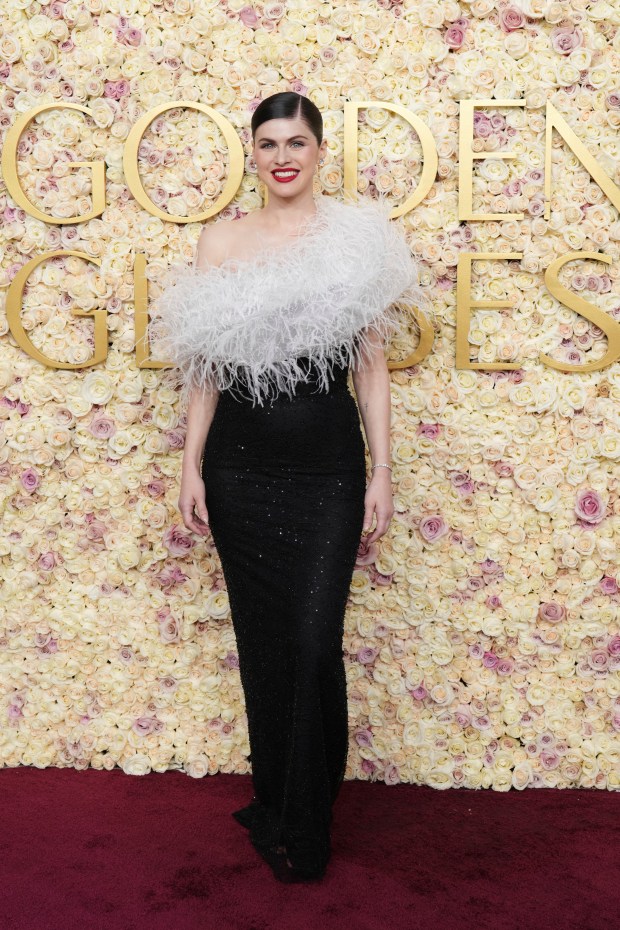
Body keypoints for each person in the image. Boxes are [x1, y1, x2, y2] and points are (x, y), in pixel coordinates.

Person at [148, 91, 428, 883]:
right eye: (269, 142)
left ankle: (307, 821)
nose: (283, 156)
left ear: (319, 151)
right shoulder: (221, 240)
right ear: (252, 152)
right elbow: (204, 367)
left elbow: (370, 368)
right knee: (265, 646)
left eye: (297, 141)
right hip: (239, 465)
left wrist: (384, 472)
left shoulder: (353, 244)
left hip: (325, 467)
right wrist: (189, 463)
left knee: (311, 644)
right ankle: (277, 803)